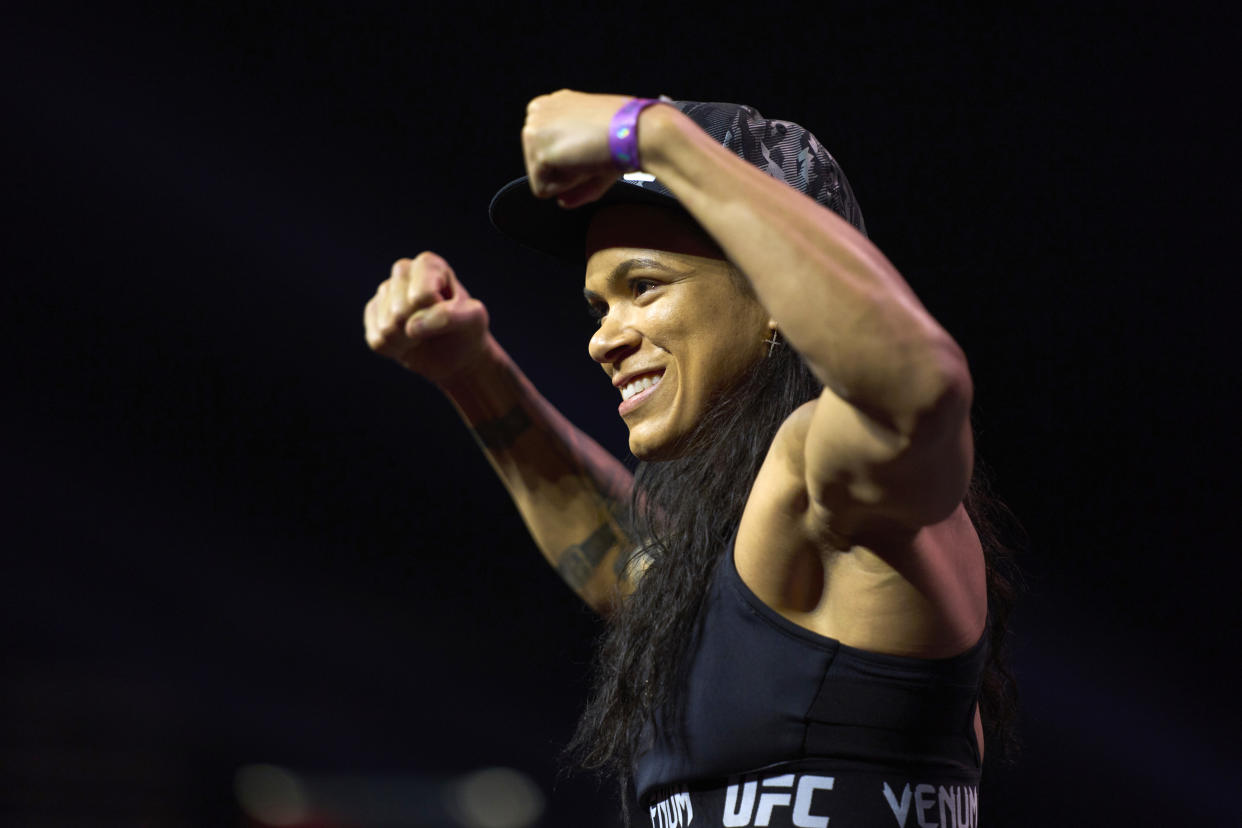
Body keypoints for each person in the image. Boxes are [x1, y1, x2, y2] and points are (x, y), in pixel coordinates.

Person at [364, 91, 1017, 826]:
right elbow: (624, 561)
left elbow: (922, 389)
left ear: (773, 288)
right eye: (599, 307)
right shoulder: (737, 557)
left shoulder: (837, 483)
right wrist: (468, 368)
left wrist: (652, 135)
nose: (603, 338)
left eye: (643, 288)